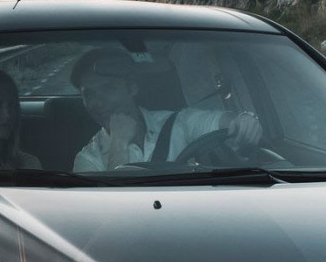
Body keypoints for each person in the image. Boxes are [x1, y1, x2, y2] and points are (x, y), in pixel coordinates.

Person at [70, 46, 262, 172]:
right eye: (89, 94)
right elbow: (111, 209)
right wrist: (118, 142)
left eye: (108, 89)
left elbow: (221, 122)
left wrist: (244, 121)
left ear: (132, 88)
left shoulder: (178, 122)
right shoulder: (88, 159)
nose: (99, 103)